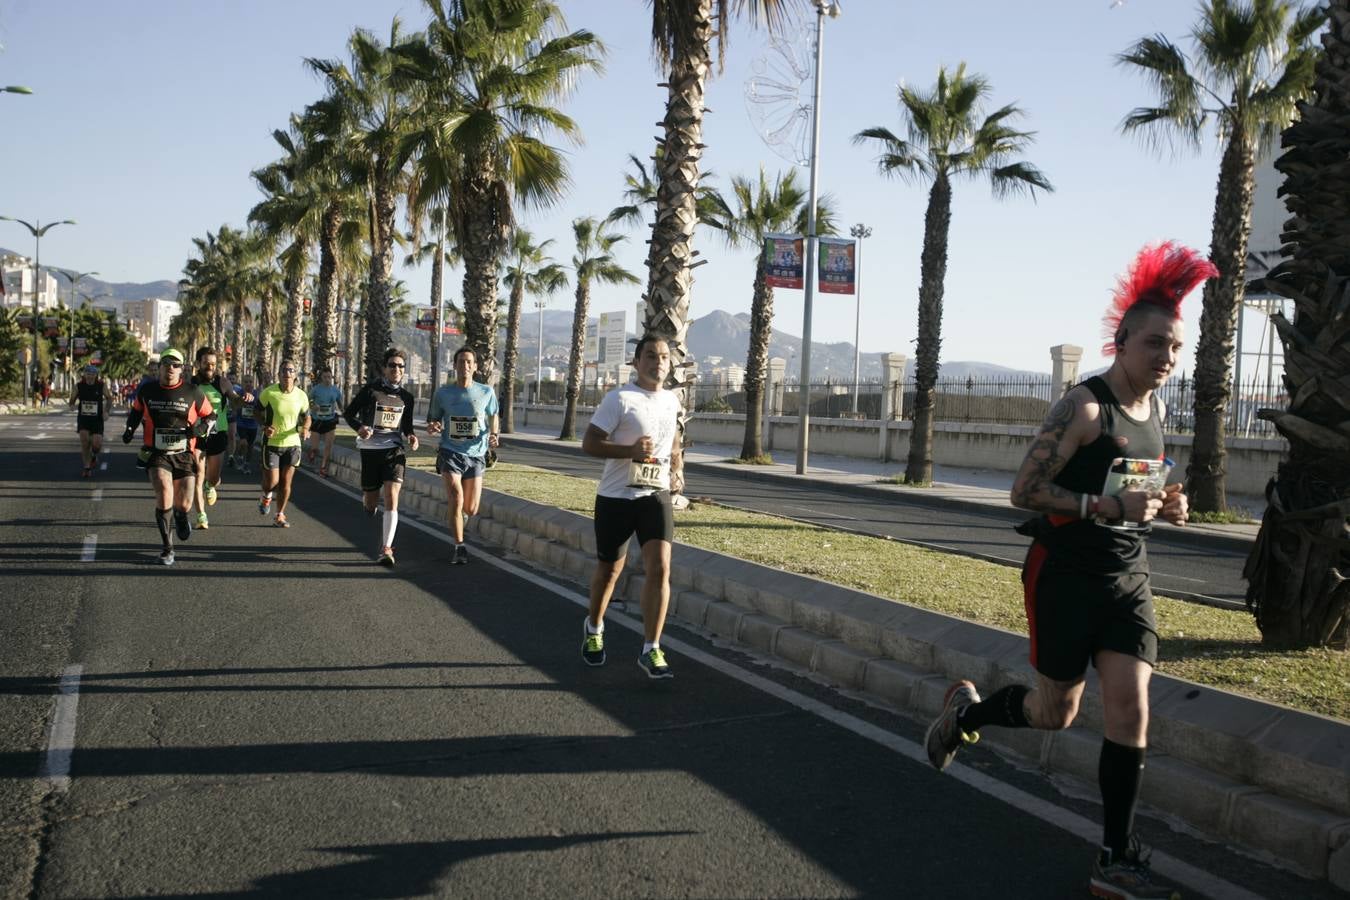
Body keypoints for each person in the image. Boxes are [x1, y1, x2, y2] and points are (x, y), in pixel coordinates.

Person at [923, 242, 1215, 900]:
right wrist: (1106, 504)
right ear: (1122, 340)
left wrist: (1168, 505)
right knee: (1054, 712)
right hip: (1063, 576)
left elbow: (1141, 485)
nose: (1166, 358)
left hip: (1128, 580)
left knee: (1130, 708)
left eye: (1175, 348)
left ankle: (1115, 857)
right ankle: (968, 715)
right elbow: (1023, 491)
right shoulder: (1083, 408)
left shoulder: (1157, 411)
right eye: (1154, 344)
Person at [579, 335, 684, 680]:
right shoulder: (620, 399)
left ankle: (651, 648)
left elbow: (673, 443)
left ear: (670, 364)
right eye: (651, 356)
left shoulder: (672, 401)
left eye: (664, 357)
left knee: (660, 568)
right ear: (637, 362)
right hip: (616, 498)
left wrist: (677, 470)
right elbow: (590, 443)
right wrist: (630, 453)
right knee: (610, 571)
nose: (658, 362)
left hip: (655, 496)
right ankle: (594, 628)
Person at [121, 348, 214, 566]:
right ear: (159, 367)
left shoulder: (192, 391)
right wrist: (129, 429)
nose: (170, 368)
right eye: (166, 364)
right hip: (156, 453)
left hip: (184, 454)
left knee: (184, 504)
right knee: (163, 490)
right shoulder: (148, 390)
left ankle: (181, 517)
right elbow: (136, 411)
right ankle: (167, 548)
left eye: (175, 365)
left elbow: (210, 415)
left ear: (182, 369)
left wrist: (198, 430)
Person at [343, 348, 418, 566]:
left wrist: (412, 437)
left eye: (401, 366)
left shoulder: (407, 397)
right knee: (371, 501)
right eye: (392, 365)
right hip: (370, 451)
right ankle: (368, 503)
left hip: (394, 451)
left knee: (392, 497)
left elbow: (407, 426)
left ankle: (386, 549)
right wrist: (360, 428)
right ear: (384, 368)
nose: (397, 369)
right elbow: (348, 414)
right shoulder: (370, 391)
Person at [426, 347, 499, 565]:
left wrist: (494, 434)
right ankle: (459, 546)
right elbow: (432, 422)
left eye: (468, 362)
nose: (464, 366)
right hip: (450, 452)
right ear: (455, 366)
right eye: (460, 362)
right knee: (456, 498)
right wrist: (434, 427)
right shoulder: (443, 394)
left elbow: (494, 414)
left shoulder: (486, 392)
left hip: (476, 455)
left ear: (475, 367)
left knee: (471, 508)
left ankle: (459, 516)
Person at [256, 360, 310, 528]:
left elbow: (307, 416)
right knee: (271, 482)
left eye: (291, 370)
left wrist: (306, 429)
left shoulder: (301, 395)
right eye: (284, 370)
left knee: (286, 482)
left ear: (295, 375)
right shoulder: (268, 393)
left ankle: (279, 514)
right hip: (272, 443)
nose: (287, 373)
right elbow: (256, 411)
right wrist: (264, 427)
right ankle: (266, 496)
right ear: (278, 374)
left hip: (293, 444)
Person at [189, 347, 235, 529]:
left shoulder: (222, 383)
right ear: (198, 364)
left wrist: (243, 398)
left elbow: (235, 399)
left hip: (218, 434)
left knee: (213, 477)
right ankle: (201, 516)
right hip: (197, 435)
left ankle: (211, 484)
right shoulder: (191, 385)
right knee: (198, 475)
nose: (210, 367)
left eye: (213, 365)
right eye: (206, 364)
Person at [68, 364, 113, 477]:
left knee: (96, 444)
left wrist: (106, 411)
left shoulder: (101, 385)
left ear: (96, 375)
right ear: (84, 375)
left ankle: (94, 456)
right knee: (84, 441)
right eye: (88, 374)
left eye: (92, 374)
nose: (90, 376)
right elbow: (72, 400)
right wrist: (72, 405)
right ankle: (87, 468)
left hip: (97, 418)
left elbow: (109, 398)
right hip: (83, 418)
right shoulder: (78, 386)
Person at [306, 366, 343, 477]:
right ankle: (312, 453)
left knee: (328, 446)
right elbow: (308, 400)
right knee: (315, 448)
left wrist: (344, 412)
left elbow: (340, 403)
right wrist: (314, 406)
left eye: (329, 377)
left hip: (330, 420)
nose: (327, 379)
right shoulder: (316, 389)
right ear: (321, 378)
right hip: (317, 420)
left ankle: (323, 468)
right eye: (325, 377)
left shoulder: (335, 390)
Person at [231, 373, 260, 474]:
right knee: (244, 442)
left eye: (250, 382)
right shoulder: (239, 392)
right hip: (241, 423)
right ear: (242, 383)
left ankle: (247, 464)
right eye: (246, 382)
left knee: (250, 445)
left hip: (253, 424)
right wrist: (238, 405)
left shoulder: (257, 394)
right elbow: (234, 405)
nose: (248, 384)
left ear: (254, 383)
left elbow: (260, 408)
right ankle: (239, 455)